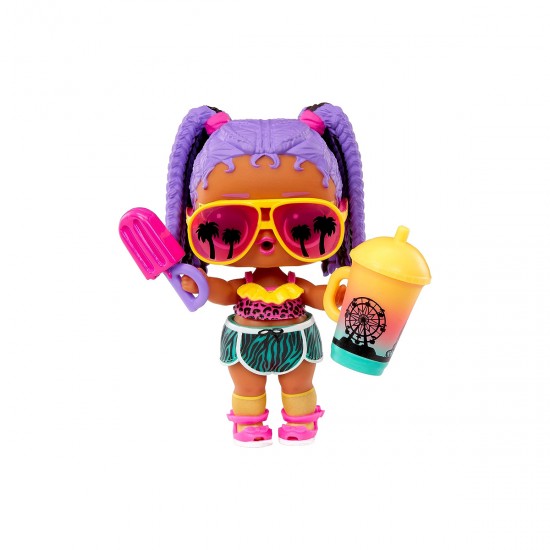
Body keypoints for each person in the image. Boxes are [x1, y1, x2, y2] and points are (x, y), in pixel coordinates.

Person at [165, 103, 365, 446]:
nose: (268, 241)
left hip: (297, 341)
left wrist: (339, 296)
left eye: (303, 225)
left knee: (299, 383)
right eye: (228, 227)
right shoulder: (244, 286)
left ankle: (301, 419)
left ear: (341, 210)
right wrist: (198, 283)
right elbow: (225, 292)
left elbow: (315, 296)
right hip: (246, 343)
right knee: (247, 385)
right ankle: (249, 422)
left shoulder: (294, 285)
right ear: (190, 216)